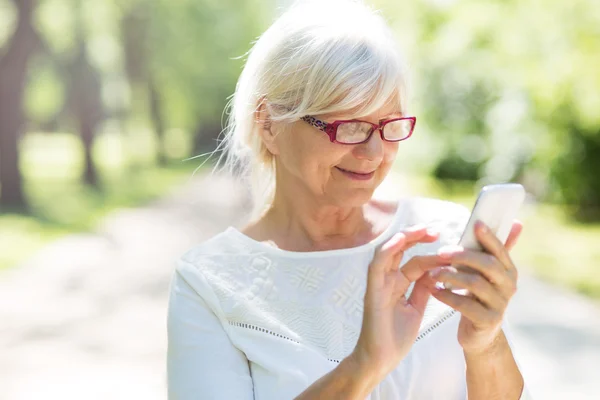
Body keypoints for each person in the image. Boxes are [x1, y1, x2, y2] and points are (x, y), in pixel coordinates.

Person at [166, 1, 533, 398]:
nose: (374, 153)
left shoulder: (442, 236)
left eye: (389, 124)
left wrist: (486, 344)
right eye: (351, 126)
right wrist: (363, 367)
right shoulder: (210, 283)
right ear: (268, 123)